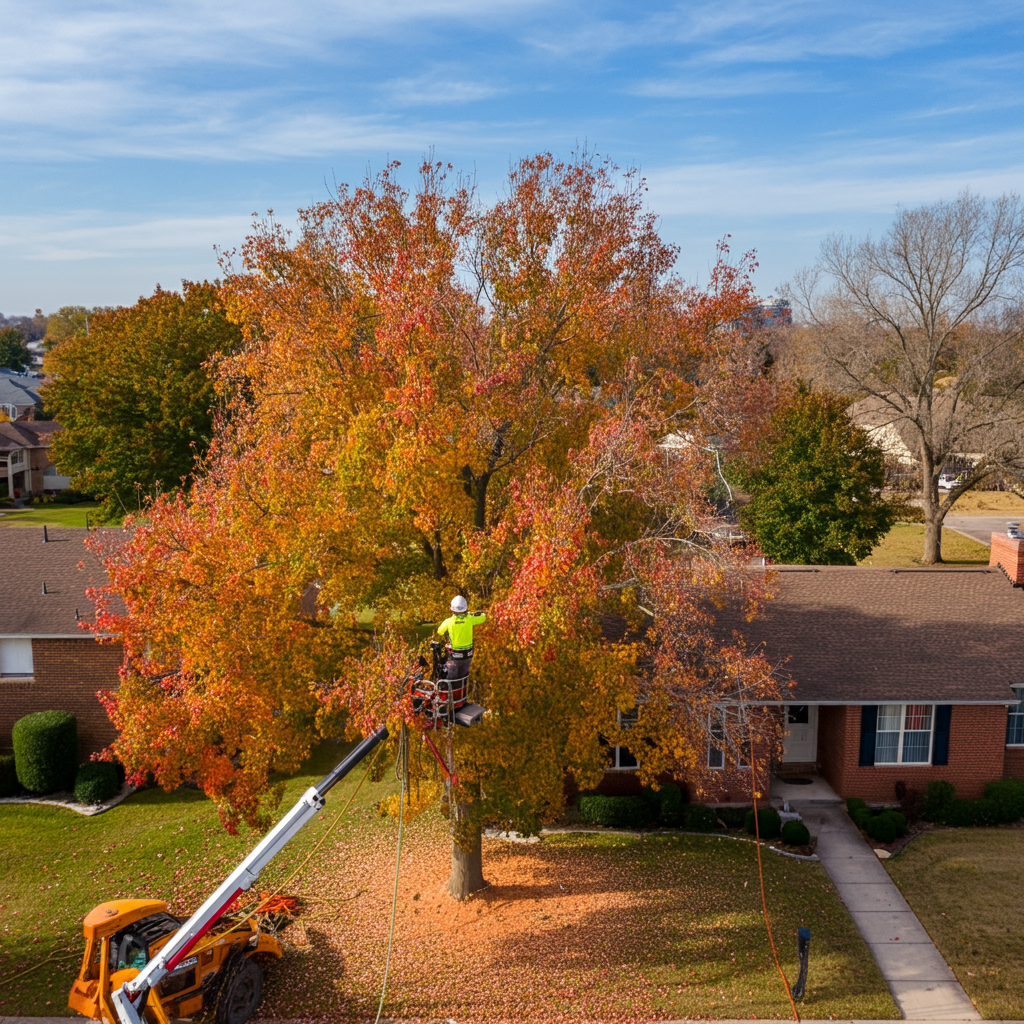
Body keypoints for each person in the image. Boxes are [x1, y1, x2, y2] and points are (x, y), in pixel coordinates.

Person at [437, 596, 486, 686]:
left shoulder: (449, 621)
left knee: (451, 680)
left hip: (455, 656)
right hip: (468, 655)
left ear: (452, 609)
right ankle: (462, 696)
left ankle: (450, 697)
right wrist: (472, 614)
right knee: (463, 678)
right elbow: (483, 617)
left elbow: (439, 631)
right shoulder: (470, 619)